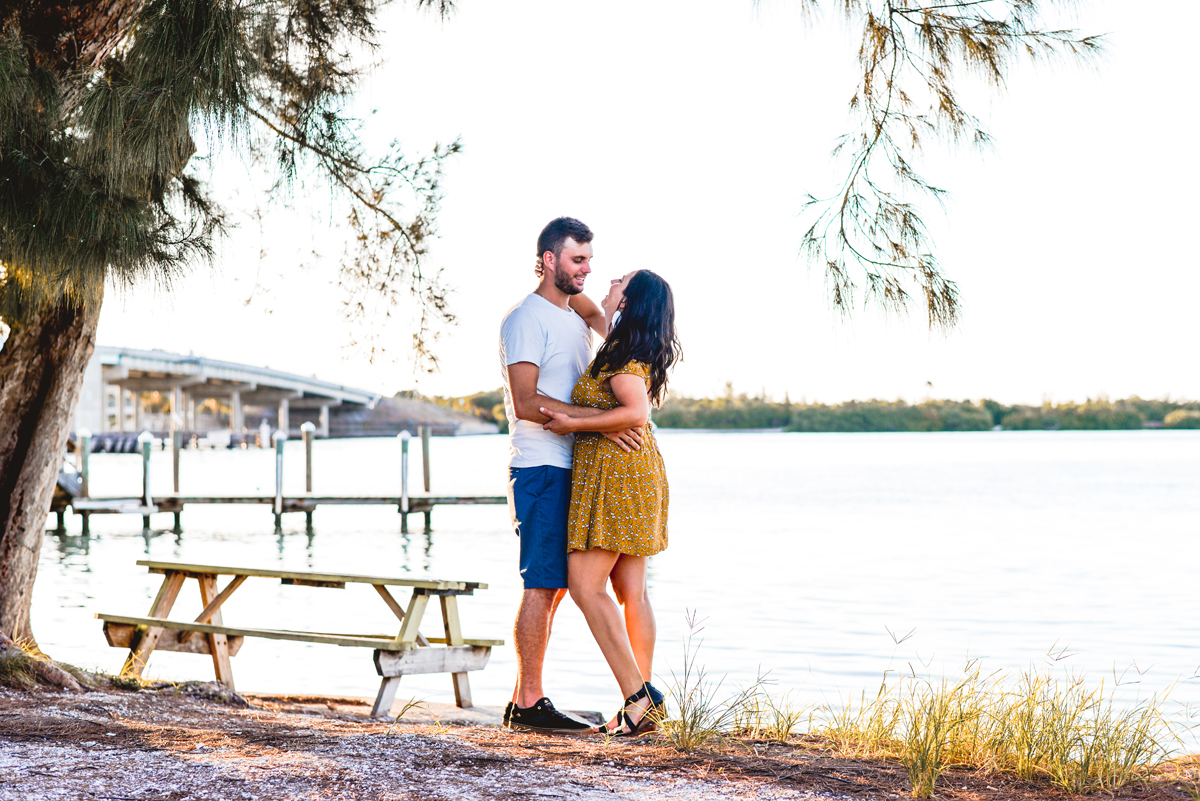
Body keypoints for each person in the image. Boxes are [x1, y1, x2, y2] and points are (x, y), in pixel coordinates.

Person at [498, 217, 643, 734]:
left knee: (558, 587)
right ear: (548, 260)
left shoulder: (576, 312)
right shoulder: (525, 319)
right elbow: (525, 401)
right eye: (576, 259)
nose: (585, 269)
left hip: (573, 466)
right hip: (539, 466)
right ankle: (530, 704)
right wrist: (600, 426)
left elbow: (617, 334)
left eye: (589, 261)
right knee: (541, 585)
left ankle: (524, 698)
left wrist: (621, 297)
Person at [540, 269, 681, 737]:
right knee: (631, 593)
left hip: (617, 478)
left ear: (632, 298)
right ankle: (637, 701)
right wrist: (557, 273)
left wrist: (571, 424)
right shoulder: (625, 338)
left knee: (585, 586)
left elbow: (635, 411)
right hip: (634, 474)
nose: (608, 280)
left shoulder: (622, 354)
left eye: (618, 280)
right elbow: (586, 306)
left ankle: (638, 699)